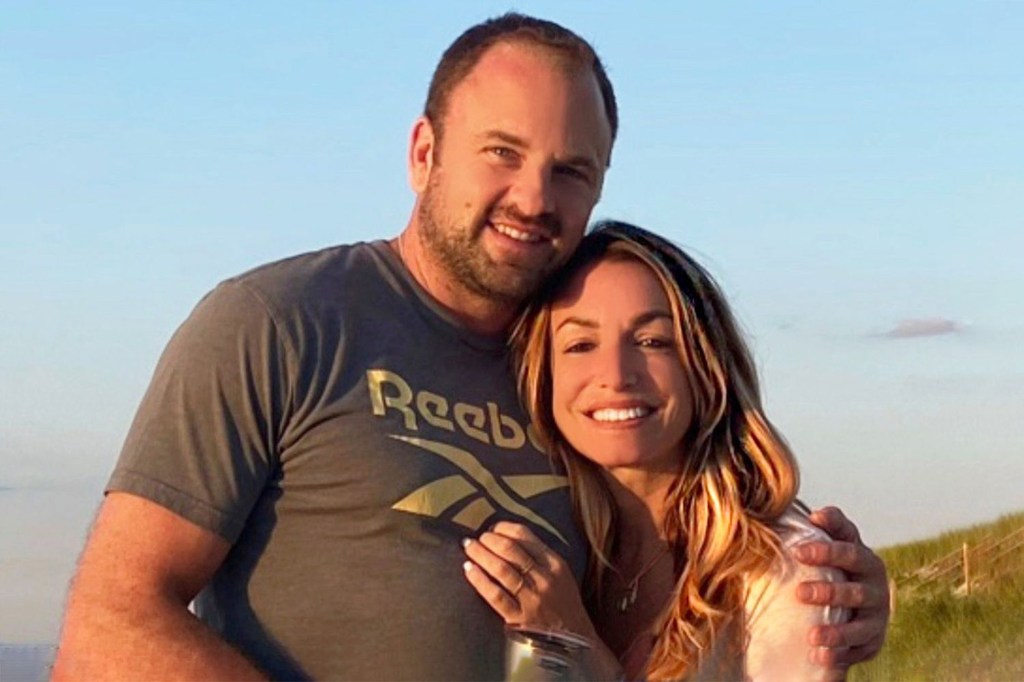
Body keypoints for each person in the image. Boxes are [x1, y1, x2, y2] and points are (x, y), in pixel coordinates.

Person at [52, 13, 888, 681]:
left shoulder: (575, 378)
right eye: (502, 153)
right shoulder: (280, 322)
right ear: (423, 154)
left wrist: (822, 596)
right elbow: (109, 629)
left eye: (572, 171)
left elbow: (687, 567)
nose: (533, 196)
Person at [462, 221, 864, 680]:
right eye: (580, 345)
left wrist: (572, 639)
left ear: (705, 368)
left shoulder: (784, 573)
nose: (615, 374)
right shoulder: (560, 549)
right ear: (543, 376)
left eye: (652, 341)